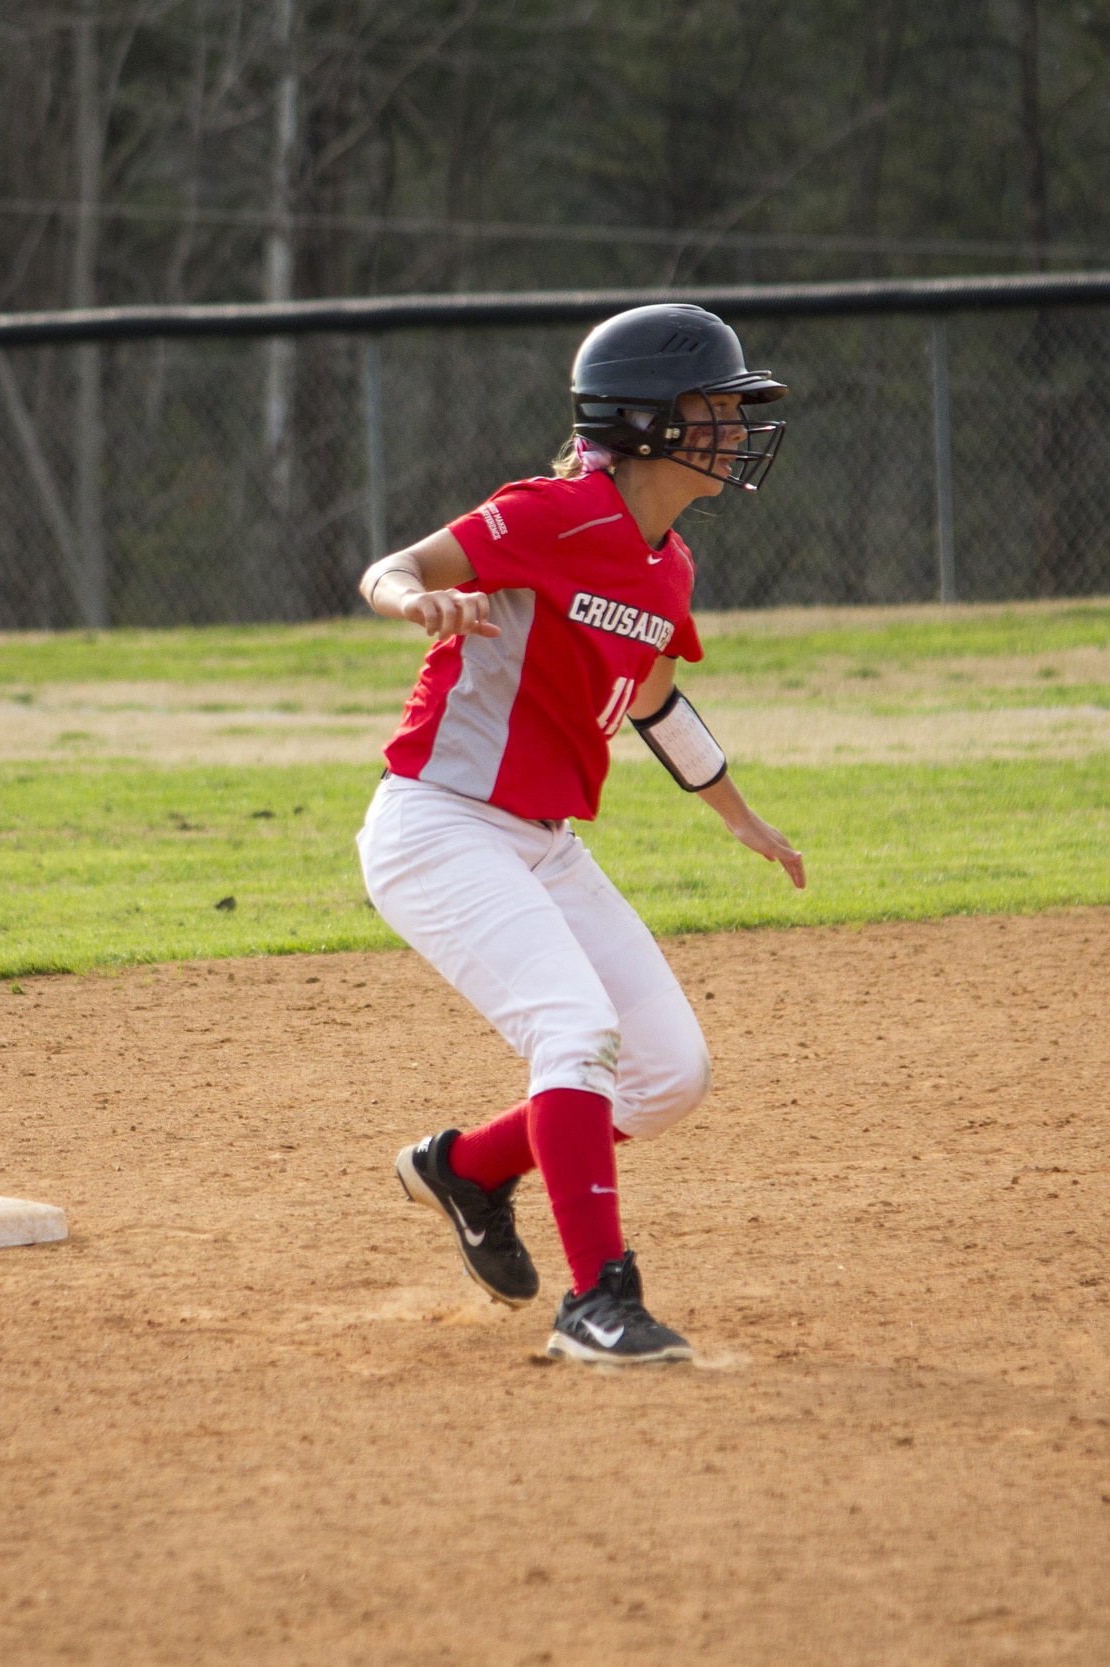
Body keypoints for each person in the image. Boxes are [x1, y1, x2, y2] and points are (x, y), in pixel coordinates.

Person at [358, 303, 804, 1366]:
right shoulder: (546, 512)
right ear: (647, 419)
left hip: (542, 841)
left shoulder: (667, 565)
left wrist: (740, 816)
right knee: (576, 1031)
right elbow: (393, 567)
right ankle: (598, 1300)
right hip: (440, 824)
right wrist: (418, 604)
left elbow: (653, 701)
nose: (734, 427)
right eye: (714, 407)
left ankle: (466, 1167)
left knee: (669, 1075)